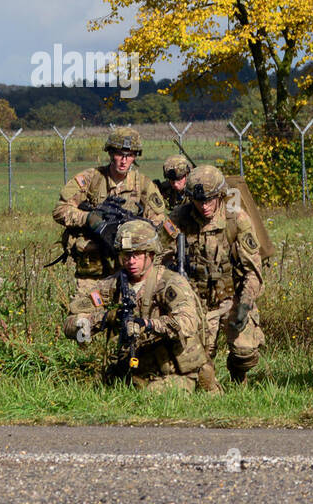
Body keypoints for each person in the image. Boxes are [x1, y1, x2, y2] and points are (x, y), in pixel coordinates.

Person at [63, 220, 207, 392]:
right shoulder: (114, 285)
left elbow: (188, 322)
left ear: (151, 255)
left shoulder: (169, 283)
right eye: (125, 255)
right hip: (135, 371)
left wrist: (149, 325)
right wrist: (103, 319)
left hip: (174, 372)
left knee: (150, 397)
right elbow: (71, 323)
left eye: (137, 255)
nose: (130, 261)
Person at [168, 165, 264, 385]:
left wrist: (245, 304)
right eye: (199, 201)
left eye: (210, 200)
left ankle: (238, 375)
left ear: (220, 195)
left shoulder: (236, 219)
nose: (204, 206)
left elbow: (253, 271)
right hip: (196, 301)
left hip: (232, 298)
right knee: (197, 366)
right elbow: (157, 255)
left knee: (245, 353)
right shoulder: (179, 218)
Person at [52, 126, 172, 295]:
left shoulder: (143, 185)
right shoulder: (91, 179)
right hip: (94, 268)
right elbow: (60, 210)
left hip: (130, 267)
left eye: (129, 155)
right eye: (119, 154)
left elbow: (159, 221)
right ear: (110, 153)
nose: (124, 160)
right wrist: (88, 218)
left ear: (135, 157)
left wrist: (136, 229)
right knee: (85, 313)